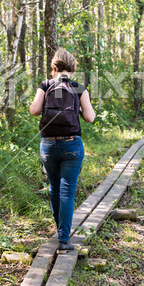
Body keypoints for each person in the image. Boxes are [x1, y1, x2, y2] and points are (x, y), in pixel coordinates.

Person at [29, 49, 95, 254]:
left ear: (54, 68)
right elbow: (90, 117)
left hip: (48, 144)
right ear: (72, 68)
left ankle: (61, 232)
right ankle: (64, 240)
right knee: (68, 191)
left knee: (54, 188)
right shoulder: (78, 88)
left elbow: (34, 110)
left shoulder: (46, 85)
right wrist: (79, 109)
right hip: (72, 144)